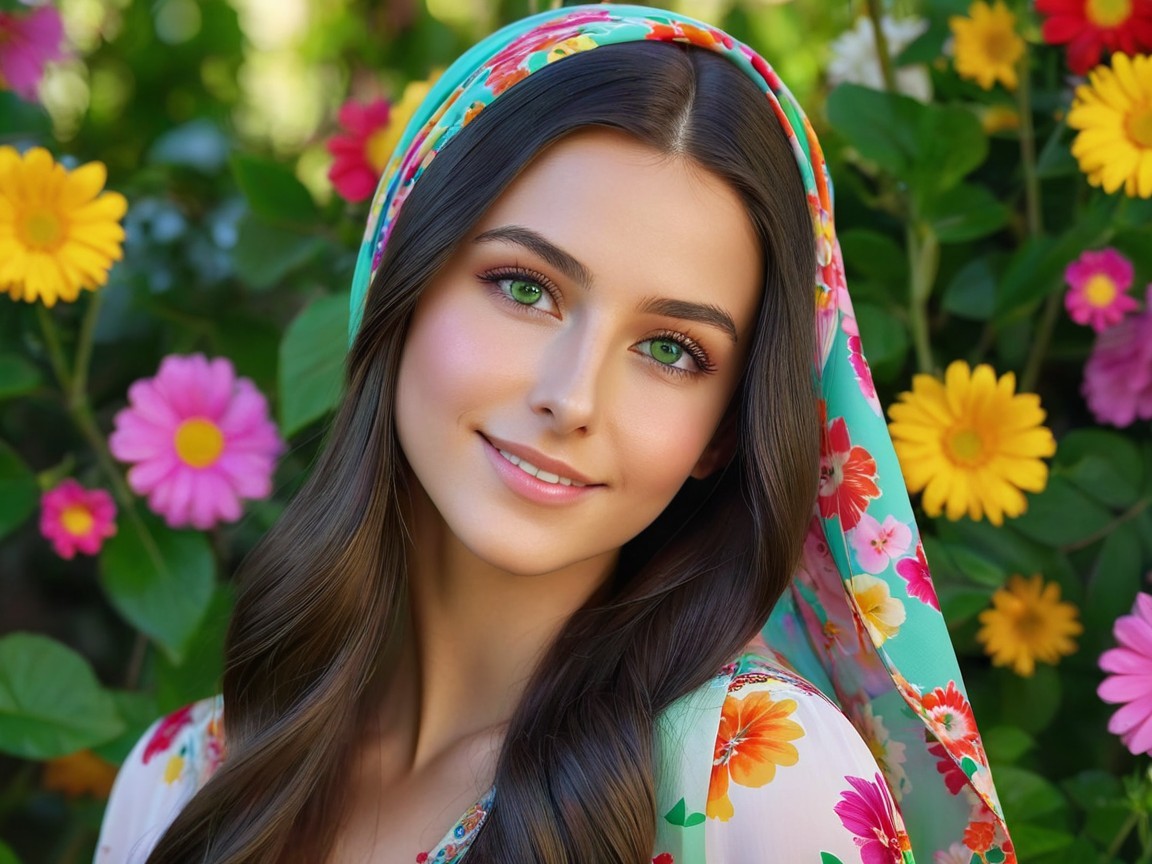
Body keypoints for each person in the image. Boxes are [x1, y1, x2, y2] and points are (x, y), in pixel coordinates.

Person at [94, 5, 1013, 863]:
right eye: (527, 288)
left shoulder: (763, 784)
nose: (572, 398)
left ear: (720, 436)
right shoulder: (179, 780)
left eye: (670, 350)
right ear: (397, 281)